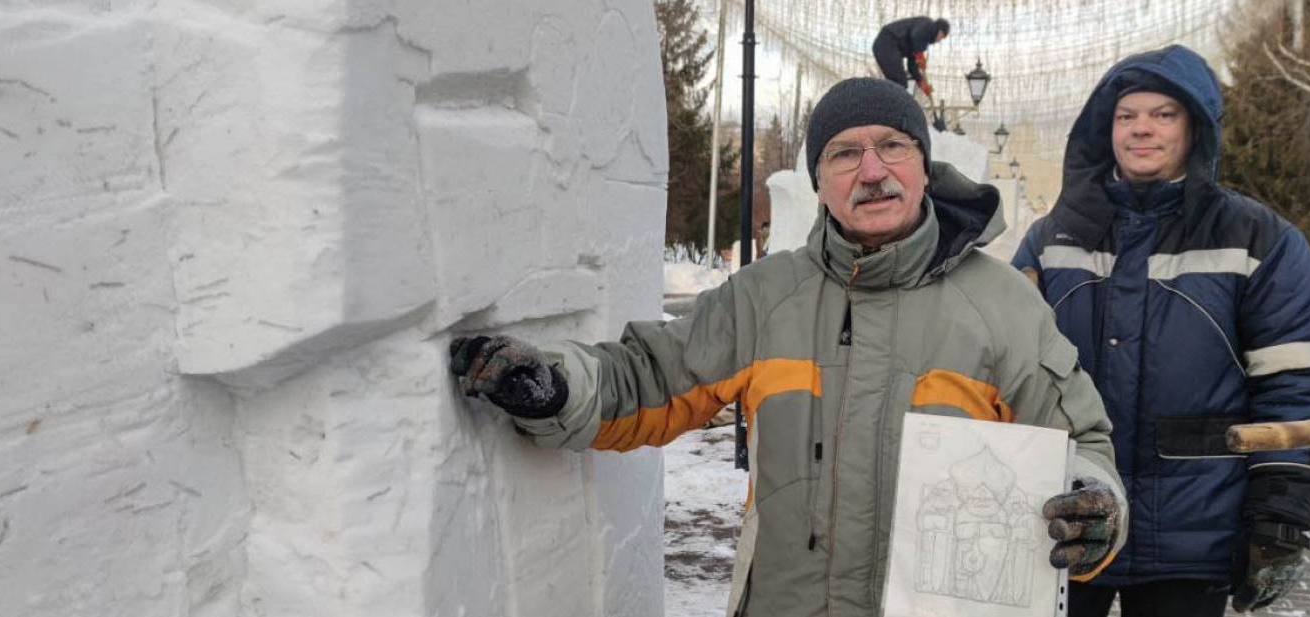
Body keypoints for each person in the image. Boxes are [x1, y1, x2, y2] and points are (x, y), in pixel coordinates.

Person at [448, 77, 1128, 617]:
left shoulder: (1003, 306)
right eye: (844, 153)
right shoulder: (763, 297)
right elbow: (648, 378)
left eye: (893, 145)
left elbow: (1077, 445)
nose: (871, 170)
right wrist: (555, 386)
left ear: (924, 165)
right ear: (819, 182)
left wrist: (1092, 508)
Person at [1011, 45, 1310, 617]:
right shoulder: (1051, 239)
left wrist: (1280, 521)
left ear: (1195, 128)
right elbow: (1007, 367)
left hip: (1195, 537)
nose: (1142, 129)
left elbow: (1297, 387)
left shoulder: (1256, 239)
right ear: (1104, 128)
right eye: (1126, 115)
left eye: (1163, 115)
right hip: (1070, 518)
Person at [872, 16, 949, 98]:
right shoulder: (928, 25)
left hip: (886, 47)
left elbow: (912, 68)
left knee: (899, 83)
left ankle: (886, 104)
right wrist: (920, 56)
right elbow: (916, 35)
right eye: (941, 37)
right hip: (887, 41)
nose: (939, 40)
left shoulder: (920, 44)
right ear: (940, 31)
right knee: (899, 82)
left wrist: (924, 86)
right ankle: (890, 107)